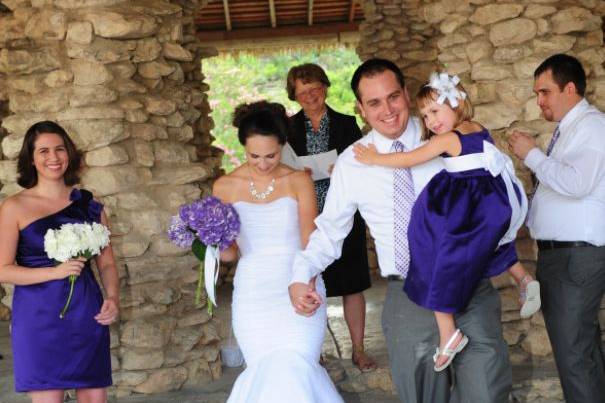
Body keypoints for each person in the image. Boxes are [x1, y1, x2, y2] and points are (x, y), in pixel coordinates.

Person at [289, 59, 512, 403]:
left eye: (393, 97)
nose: (388, 110)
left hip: (470, 288)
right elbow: (329, 232)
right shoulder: (352, 163)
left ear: (407, 95)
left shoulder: (450, 143)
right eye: (374, 103)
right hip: (407, 296)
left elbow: (500, 195)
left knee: (487, 393)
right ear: (360, 109)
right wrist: (301, 275)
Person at [352, 71, 540, 371]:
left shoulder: (449, 139)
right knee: (489, 245)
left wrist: (375, 158)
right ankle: (524, 278)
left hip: (468, 205)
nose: (431, 121)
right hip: (492, 202)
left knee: (433, 253)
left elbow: (409, 158)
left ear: (457, 104)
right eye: (425, 116)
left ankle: (448, 332)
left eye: (435, 111)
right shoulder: (476, 128)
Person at [213, 101, 344, 403]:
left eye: (270, 155)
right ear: (243, 148)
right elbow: (229, 254)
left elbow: (311, 242)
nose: (262, 163)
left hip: (298, 282)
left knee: (297, 367)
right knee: (263, 370)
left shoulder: (298, 181)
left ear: (283, 145)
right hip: (253, 294)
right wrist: (208, 242)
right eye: (253, 155)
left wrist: (306, 286)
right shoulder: (224, 186)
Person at [508, 53, 605, 403]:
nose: (539, 101)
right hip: (563, 258)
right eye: (537, 93)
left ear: (570, 88)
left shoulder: (592, 126)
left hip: (575, 259)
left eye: (544, 92)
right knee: (583, 351)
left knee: (574, 355)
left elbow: (577, 183)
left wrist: (531, 154)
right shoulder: (570, 129)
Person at [0, 121, 119, 403]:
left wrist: (113, 298)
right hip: (37, 317)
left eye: (59, 149)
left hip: (86, 311)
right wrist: (54, 273)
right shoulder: (14, 207)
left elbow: (107, 263)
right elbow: (2, 270)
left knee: (93, 396)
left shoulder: (89, 203)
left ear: (70, 154)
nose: (53, 158)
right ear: (31, 158)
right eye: (43, 151)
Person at [285, 63, 375, 370]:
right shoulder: (287, 128)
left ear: (325, 87)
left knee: (352, 284)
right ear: (294, 96)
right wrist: (298, 173)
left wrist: (345, 168)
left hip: (344, 212)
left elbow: (364, 162)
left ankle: (359, 349)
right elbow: (281, 168)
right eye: (303, 91)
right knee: (310, 282)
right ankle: (316, 350)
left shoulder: (347, 122)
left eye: (315, 88)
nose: (310, 96)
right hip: (307, 216)